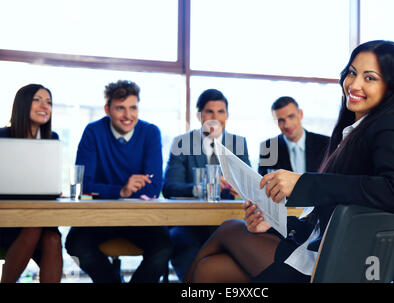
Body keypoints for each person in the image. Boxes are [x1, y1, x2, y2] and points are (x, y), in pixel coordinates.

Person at [184, 40, 394, 283]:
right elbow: (327, 216)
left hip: (329, 264)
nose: (354, 83)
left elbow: (393, 191)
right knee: (210, 269)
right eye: (352, 73)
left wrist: (302, 183)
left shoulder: (388, 126)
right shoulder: (351, 133)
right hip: (314, 249)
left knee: (227, 229)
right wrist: (272, 222)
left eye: (369, 77)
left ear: (392, 88)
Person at [65, 80, 172, 283]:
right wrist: (121, 190)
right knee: (75, 245)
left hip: (140, 217)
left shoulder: (150, 133)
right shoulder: (93, 132)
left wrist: (104, 190)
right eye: (120, 108)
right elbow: (83, 185)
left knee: (164, 247)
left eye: (133, 108)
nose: (128, 115)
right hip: (99, 217)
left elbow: (154, 187)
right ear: (108, 109)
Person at [162, 88, 250, 281]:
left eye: (221, 112)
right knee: (182, 245)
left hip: (227, 222)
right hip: (188, 223)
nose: (215, 117)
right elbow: (169, 187)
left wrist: (240, 189)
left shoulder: (239, 143)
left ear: (227, 115)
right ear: (199, 115)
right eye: (209, 112)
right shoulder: (181, 143)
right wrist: (203, 186)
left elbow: (249, 188)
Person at [0, 84, 62, 283]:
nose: (45, 106)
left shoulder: (52, 139)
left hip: (42, 214)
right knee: (34, 225)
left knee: (53, 239)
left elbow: (50, 185)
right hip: (7, 217)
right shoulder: (3, 137)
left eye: (49, 102)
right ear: (23, 104)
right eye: (37, 100)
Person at [258, 96, 329, 176]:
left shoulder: (326, 143)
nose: (287, 125)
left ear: (300, 114)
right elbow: (263, 182)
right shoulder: (269, 147)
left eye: (291, 117)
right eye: (281, 120)